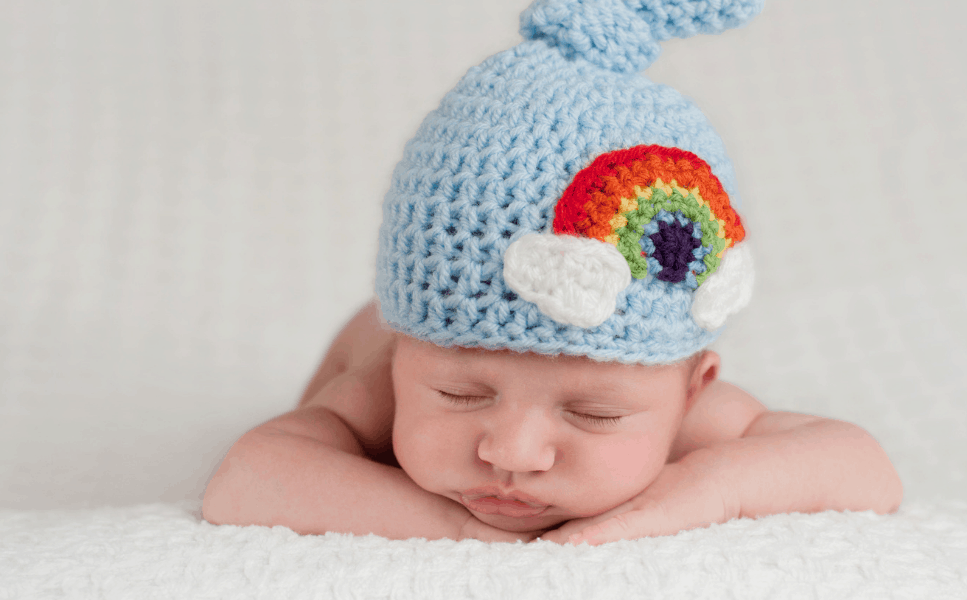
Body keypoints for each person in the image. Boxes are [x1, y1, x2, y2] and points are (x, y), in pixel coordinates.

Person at [202, 0, 902, 545]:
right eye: (459, 393)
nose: (512, 452)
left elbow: (866, 468)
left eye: (593, 413)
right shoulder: (380, 390)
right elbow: (246, 479)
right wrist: (455, 529)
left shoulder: (692, 416)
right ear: (402, 357)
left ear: (694, 390)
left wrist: (712, 486)